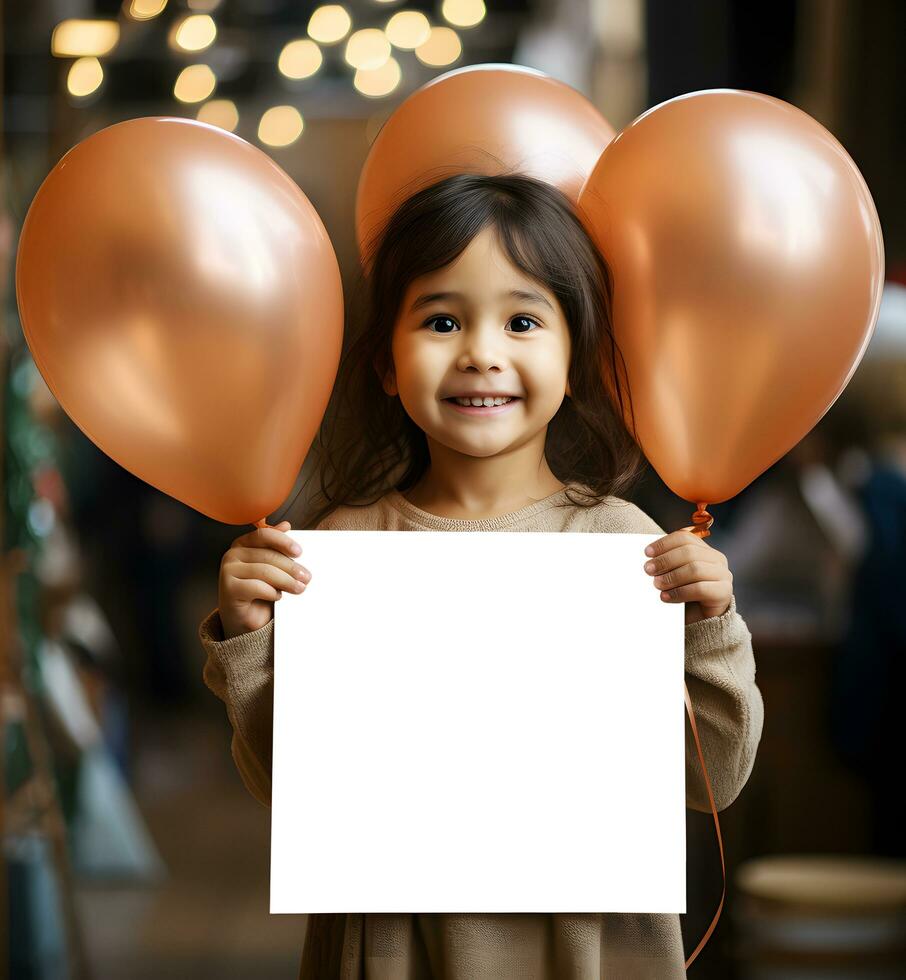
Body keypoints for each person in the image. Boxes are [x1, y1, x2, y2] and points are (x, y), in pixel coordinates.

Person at [198, 173, 764, 979]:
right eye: (441, 320)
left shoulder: (628, 548)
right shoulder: (343, 550)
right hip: (395, 947)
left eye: (523, 320)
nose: (481, 353)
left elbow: (716, 776)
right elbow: (288, 788)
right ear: (387, 364)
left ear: (578, 362)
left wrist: (712, 625)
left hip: (586, 950)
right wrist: (250, 642)